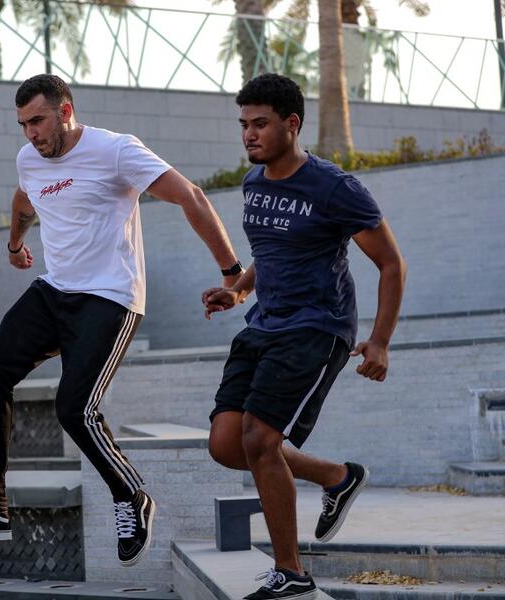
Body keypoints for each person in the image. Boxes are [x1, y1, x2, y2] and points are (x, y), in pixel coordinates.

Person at [0, 74, 243, 567]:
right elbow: (23, 200)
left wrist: (232, 275)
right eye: (22, 125)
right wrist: (15, 244)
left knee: (74, 409)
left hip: (110, 297)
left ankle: (130, 496)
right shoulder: (28, 159)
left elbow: (192, 197)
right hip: (54, 290)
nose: (31, 134)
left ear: (65, 110)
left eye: (37, 121)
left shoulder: (117, 151)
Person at [202, 74, 406, 600]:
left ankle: (290, 573)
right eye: (243, 124)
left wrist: (380, 341)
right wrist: (238, 291)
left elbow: (390, 264)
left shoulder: (334, 188)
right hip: (264, 325)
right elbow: (268, 253)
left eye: (261, 124)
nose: (249, 135)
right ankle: (336, 476)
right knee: (227, 444)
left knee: (260, 439)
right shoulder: (254, 183)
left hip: (318, 326)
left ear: (291, 124)